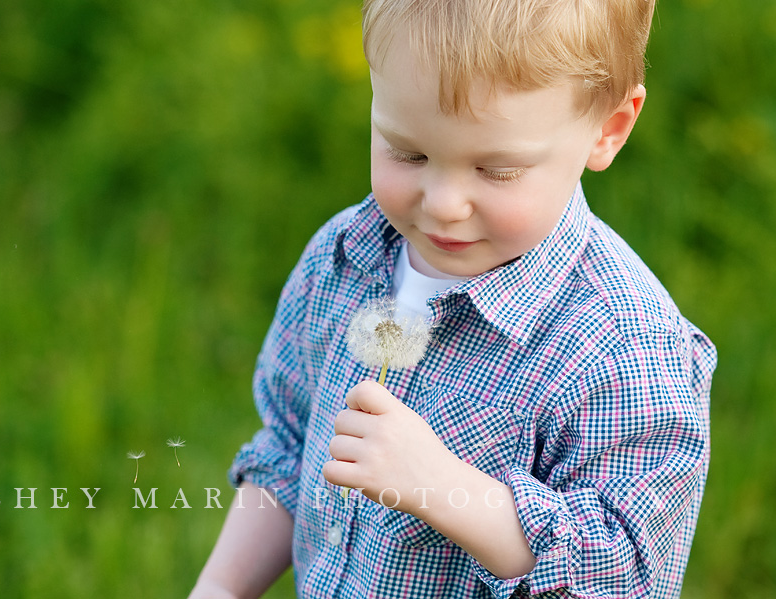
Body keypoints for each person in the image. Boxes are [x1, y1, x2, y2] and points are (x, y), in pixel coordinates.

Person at [189, 0, 716, 596]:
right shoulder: (343, 259)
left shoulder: (623, 350)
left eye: (497, 170)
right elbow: (289, 449)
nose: (442, 203)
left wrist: (445, 489)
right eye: (407, 152)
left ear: (608, 129)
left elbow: (624, 572)